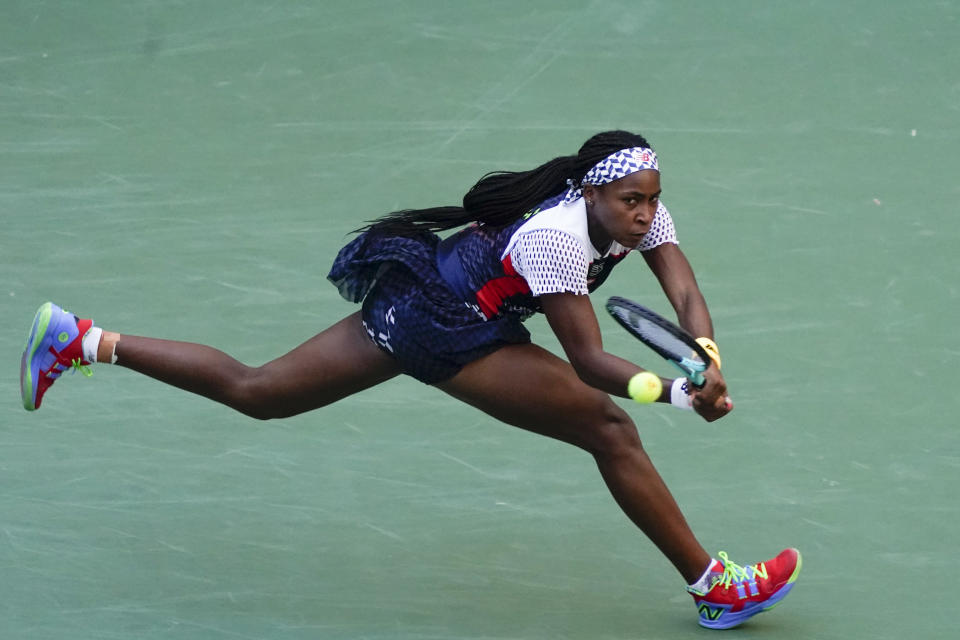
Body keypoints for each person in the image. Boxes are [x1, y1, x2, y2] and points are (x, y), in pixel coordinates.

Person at [19, 130, 800, 629]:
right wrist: (676, 393)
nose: (645, 215)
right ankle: (713, 585)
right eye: (631, 201)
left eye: (652, 201)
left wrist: (706, 351)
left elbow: (682, 287)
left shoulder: (637, 210)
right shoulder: (560, 240)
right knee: (608, 426)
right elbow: (591, 362)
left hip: (449, 300)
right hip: (444, 324)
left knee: (260, 394)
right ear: (592, 193)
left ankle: (83, 341)